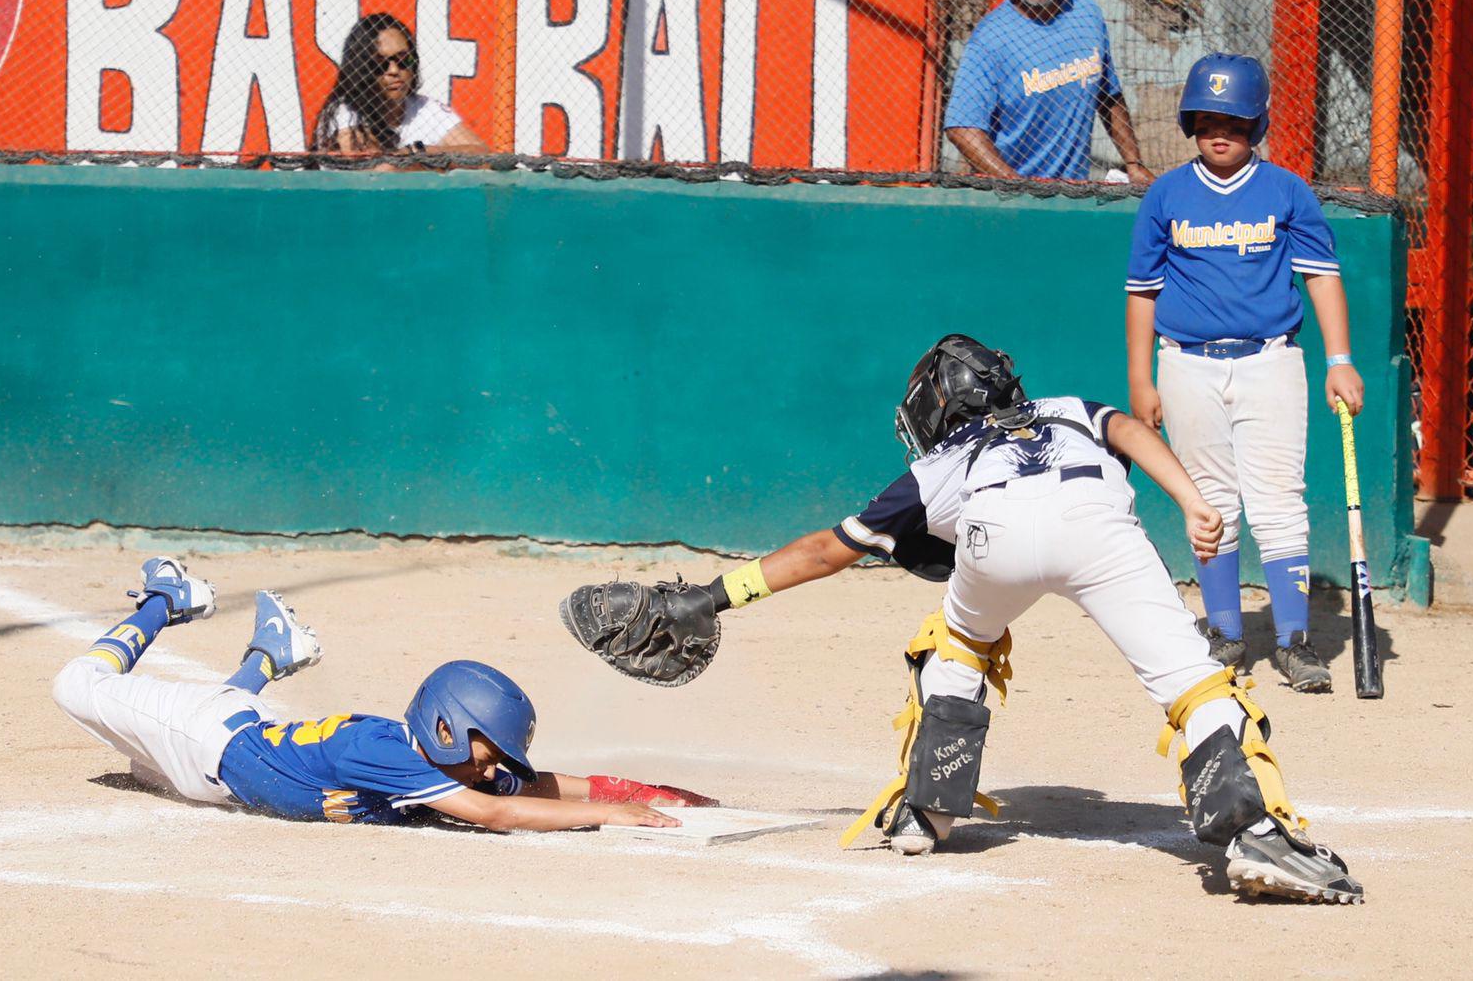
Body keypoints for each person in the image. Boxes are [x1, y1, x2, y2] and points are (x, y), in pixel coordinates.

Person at [561, 335, 1364, 904]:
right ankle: (1251, 831)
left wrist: (711, 596)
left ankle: (928, 809)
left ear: (938, 407)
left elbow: (823, 551)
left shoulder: (943, 461)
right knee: (1190, 681)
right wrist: (1192, 500)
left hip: (995, 536)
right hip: (1098, 529)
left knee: (961, 639)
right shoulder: (1069, 408)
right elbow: (1129, 428)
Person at [53, 558, 712, 830]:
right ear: (447, 727)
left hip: (228, 752)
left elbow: (534, 787)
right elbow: (496, 815)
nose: (494, 767)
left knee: (157, 767)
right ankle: (168, 599)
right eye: (489, 751)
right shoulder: (389, 753)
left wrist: (630, 790)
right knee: (76, 685)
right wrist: (612, 816)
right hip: (205, 737)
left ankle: (271, 654)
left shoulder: (447, 762)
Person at [1124, 53, 1364, 693]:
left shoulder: (1287, 191)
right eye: (1205, 119)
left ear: (1256, 122)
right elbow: (1142, 293)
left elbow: (1321, 278)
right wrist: (1142, 379)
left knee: (1279, 503)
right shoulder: (1166, 194)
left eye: (1231, 118)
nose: (1217, 130)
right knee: (1209, 500)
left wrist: (1340, 362)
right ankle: (1226, 632)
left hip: (1271, 361)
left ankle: (1293, 640)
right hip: (1187, 365)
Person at [943, 0, 1152, 185]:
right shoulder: (990, 39)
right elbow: (962, 128)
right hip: (1011, 195)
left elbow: (1108, 95)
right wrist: (1016, 185)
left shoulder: (1086, 14)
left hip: (1073, 190)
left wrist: (1133, 163)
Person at [311, 13, 488, 161]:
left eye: (404, 60)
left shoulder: (426, 108)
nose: (394, 71)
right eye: (380, 64)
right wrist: (439, 160)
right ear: (361, 68)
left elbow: (484, 155)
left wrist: (419, 152)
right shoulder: (345, 113)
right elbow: (379, 171)